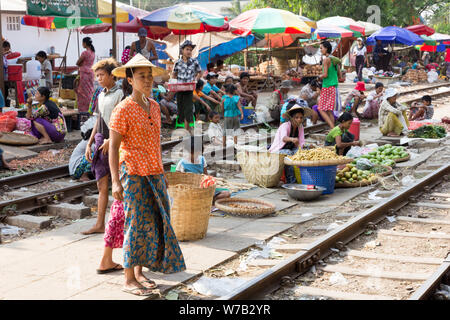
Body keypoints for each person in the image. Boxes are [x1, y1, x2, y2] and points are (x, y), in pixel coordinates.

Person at [109, 53, 186, 296]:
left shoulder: (154, 106)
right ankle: (128, 278)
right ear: (130, 80)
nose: (148, 80)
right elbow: (113, 147)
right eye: (142, 76)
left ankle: (140, 272)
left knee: (152, 223)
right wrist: (115, 181)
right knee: (134, 223)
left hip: (154, 171)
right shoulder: (122, 109)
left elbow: (155, 143)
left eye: (150, 76)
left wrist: (162, 172)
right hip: (132, 172)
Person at [82, 58, 124, 236]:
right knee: (101, 183)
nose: (98, 78)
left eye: (101, 75)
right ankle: (100, 223)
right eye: (97, 76)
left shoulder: (120, 94)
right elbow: (99, 119)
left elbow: (121, 121)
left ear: (111, 75)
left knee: (119, 183)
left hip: (116, 142)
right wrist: (89, 143)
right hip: (101, 140)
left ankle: (122, 222)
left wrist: (111, 140)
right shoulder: (101, 94)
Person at [176, 136, 231, 202]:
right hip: (190, 191)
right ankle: (206, 200)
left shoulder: (202, 159)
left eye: (197, 153)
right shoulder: (182, 163)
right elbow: (177, 182)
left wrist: (210, 183)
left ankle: (207, 200)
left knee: (227, 193)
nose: (194, 155)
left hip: (202, 189)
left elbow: (206, 176)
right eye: (192, 153)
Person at [269, 104, 312, 184]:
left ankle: (302, 178)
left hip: (291, 149)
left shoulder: (300, 127)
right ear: (292, 118)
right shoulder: (285, 126)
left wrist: (301, 150)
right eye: (297, 117)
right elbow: (284, 138)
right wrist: (292, 139)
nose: (299, 120)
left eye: (301, 117)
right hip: (278, 151)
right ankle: (291, 181)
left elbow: (301, 142)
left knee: (303, 153)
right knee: (290, 155)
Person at [172, 40, 202, 132]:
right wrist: (173, 82)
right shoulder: (177, 62)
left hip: (189, 88)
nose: (189, 51)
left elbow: (200, 72)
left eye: (190, 50)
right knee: (181, 108)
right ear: (182, 50)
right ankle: (187, 128)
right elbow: (174, 74)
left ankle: (188, 129)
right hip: (180, 89)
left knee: (188, 108)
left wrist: (195, 80)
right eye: (187, 49)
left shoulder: (194, 61)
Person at [318, 40, 342, 129]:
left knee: (321, 109)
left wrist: (318, 77)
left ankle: (332, 127)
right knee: (329, 110)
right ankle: (333, 128)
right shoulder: (334, 60)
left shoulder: (326, 60)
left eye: (321, 48)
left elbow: (325, 75)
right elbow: (340, 75)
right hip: (334, 86)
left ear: (326, 48)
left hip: (327, 86)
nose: (320, 50)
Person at [69, 117, 95, 181]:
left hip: (76, 169)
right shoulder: (88, 142)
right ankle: (83, 176)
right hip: (75, 170)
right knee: (96, 155)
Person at [76, 37, 96, 113]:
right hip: (91, 72)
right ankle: (91, 107)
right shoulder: (93, 53)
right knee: (89, 90)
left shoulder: (85, 53)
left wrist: (82, 64)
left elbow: (78, 62)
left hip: (84, 73)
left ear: (84, 43)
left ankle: (83, 110)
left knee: (82, 92)